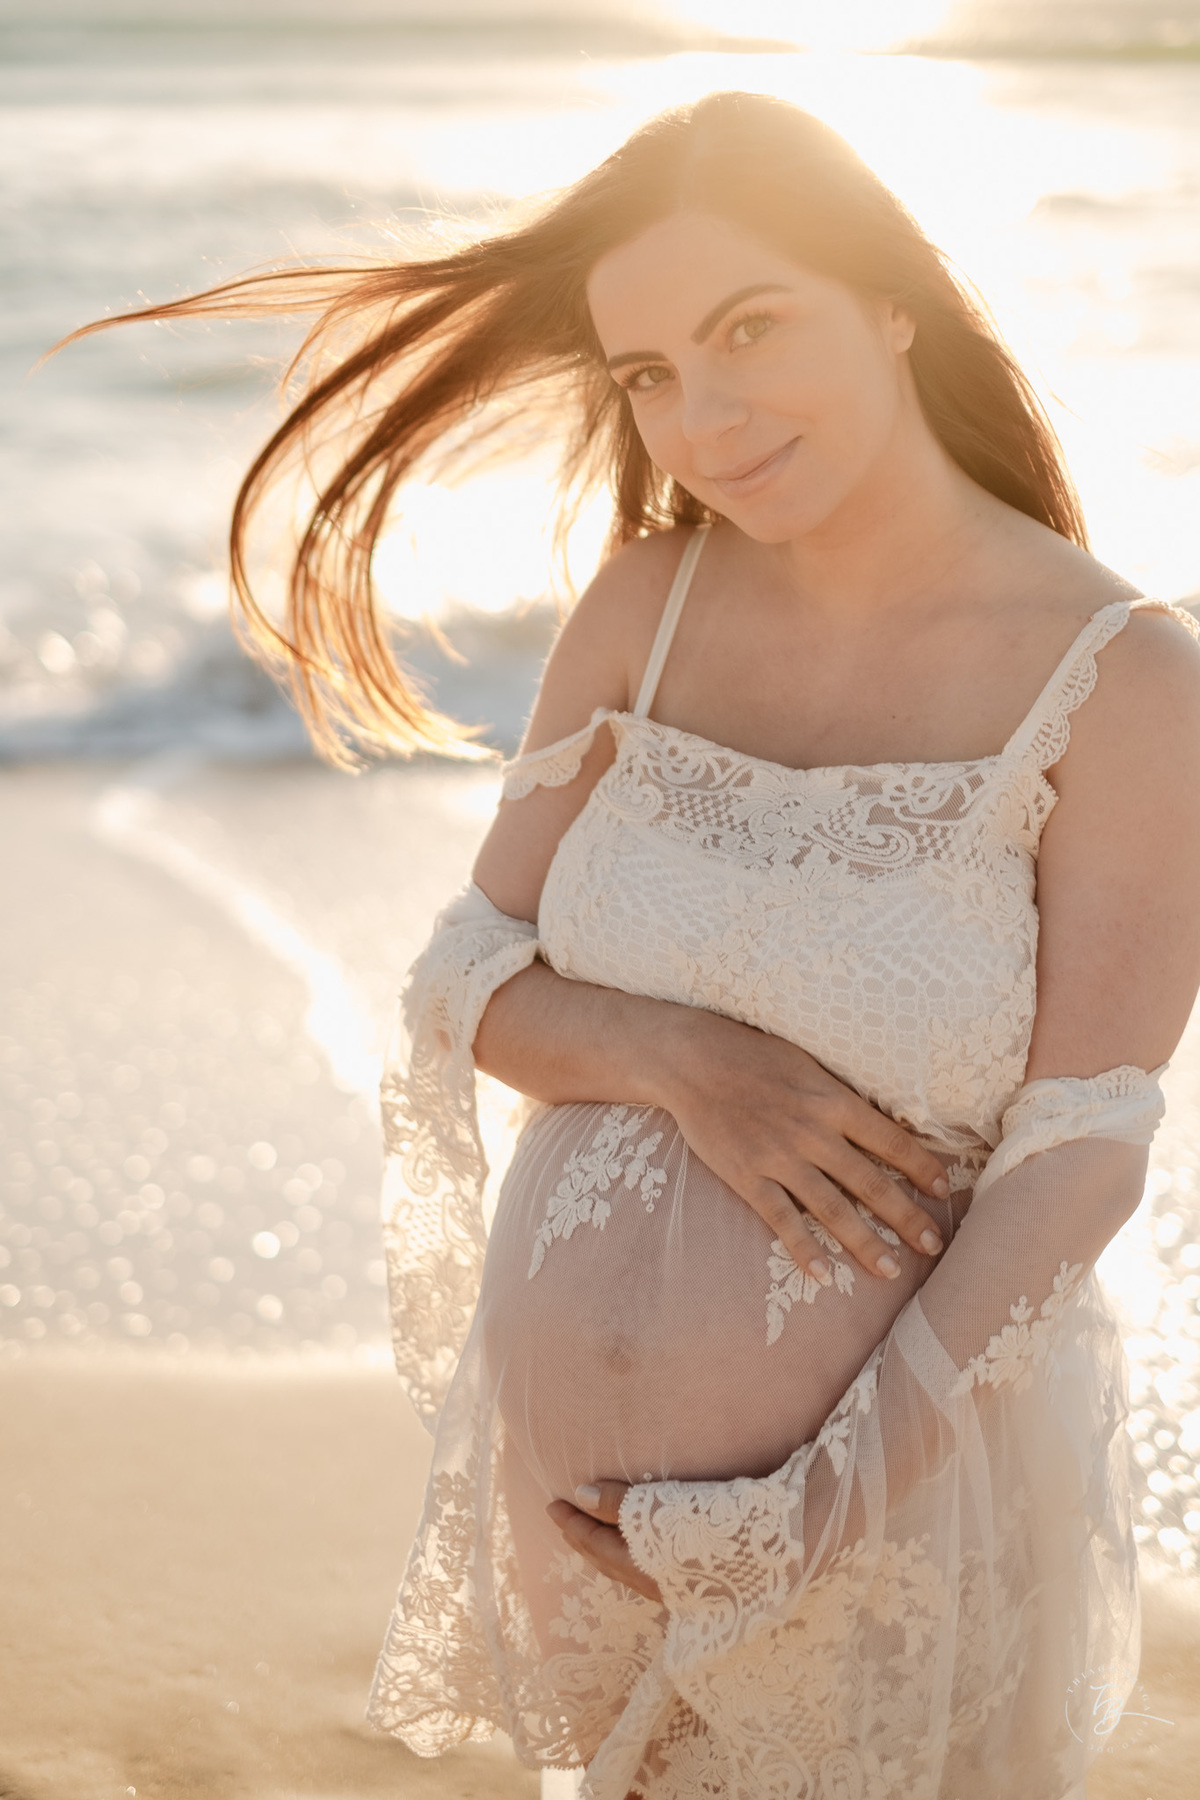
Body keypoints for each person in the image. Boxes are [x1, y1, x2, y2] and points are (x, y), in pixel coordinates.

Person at [67, 90, 1200, 1800]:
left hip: (883, 1526)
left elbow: (1083, 1149)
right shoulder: (642, 610)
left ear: (892, 301)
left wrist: (810, 1513)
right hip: (581, 1534)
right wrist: (686, 1062)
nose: (705, 419)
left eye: (753, 329)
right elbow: (470, 976)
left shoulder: (1123, 679)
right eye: (650, 374)